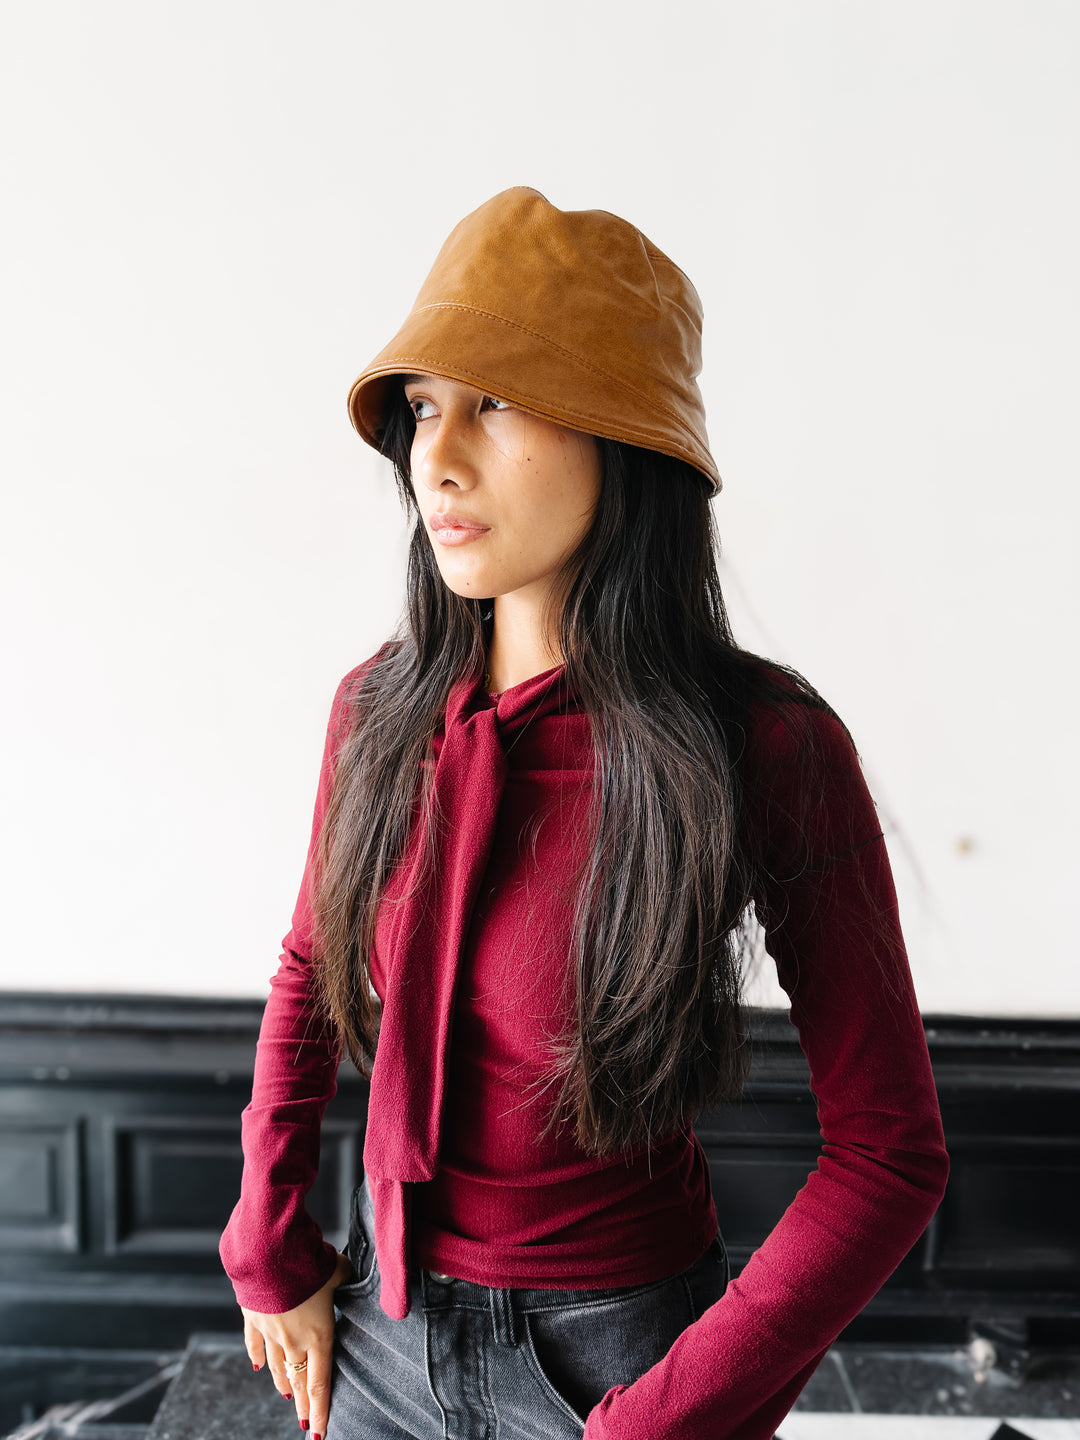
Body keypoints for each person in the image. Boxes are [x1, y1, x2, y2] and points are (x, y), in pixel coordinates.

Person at [219, 187, 949, 1440]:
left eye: (496, 403)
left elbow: (890, 1153)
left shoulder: (765, 745)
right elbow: (308, 967)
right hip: (381, 1333)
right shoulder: (377, 711)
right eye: (425, 407)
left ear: (627, 441)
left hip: (619, 1365)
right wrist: (266, 1240)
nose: (438, 457)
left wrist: (656, 1423)